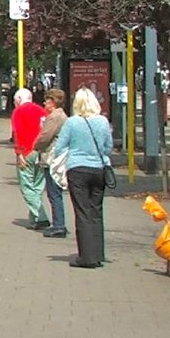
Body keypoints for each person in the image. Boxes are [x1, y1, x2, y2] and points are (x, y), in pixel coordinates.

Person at [50, 87, 113, 268]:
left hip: (77, 170)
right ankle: (98, 253)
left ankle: (86, 257)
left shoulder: (72, 123)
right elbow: (108, 147)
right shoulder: (102, 122)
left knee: (82, 213)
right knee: (96, 211)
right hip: (99, 170)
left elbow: (61, 146)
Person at [11, 87, 49, 229]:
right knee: (38, 185)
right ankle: (35, 217)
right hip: (40, 152)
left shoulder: (18, 112)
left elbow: (18, 133)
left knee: (27, 185)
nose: (14, 104)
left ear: (20, 99)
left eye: (15, 101)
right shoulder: (42, 111)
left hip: (26, 151)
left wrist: (19, 153)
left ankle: (41, 217)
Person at [33, 86, 69, 239]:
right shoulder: (61, 116)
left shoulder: (55, 117)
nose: (44, 103)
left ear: (53, 102)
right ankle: (58, 223)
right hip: (56, 157)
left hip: (52, 158)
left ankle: (59, 225)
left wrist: (35, 145)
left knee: (54, 193)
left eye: (47, 100)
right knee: (55, 193)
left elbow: (45, 137)